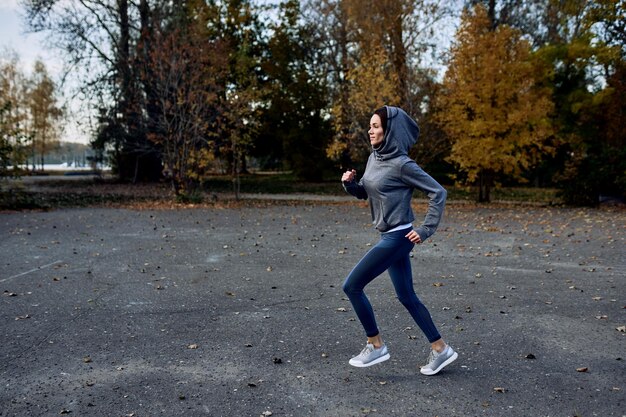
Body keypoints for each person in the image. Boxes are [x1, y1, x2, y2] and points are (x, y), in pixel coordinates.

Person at [340, 105, 457, 375]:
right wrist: (351, 185)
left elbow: (438, 192)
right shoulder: (374, 159)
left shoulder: (403, 164)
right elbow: (369, 193)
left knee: (352, 286)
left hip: (399, 236)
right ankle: (441, 349)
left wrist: (426, 229)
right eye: (370, 125)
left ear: (390, 130)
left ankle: (376, 344)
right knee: (406, 296)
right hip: (388, 234)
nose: (370, 130)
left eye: (376, 126)